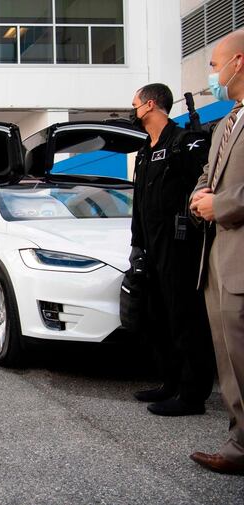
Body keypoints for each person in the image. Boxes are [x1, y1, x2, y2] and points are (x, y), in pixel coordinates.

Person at [128, 83, 215, 417]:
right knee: (157, 316)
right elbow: (139, 204)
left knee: (185, 318)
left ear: (150, 105)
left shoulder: (184, 143)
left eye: (134, 105)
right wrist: (137, 245)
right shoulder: (146, 151)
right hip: (150, 246)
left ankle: (192, 395)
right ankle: (170, 381)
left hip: (180, 246)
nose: (132, 111)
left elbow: (204, 188)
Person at [189, 30, 244, 475]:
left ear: (238, 63)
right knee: (229, 357)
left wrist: (219, 205)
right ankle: (239, 441)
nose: (211, 74)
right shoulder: (226, 123)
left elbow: (226, 195)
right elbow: (208, 175)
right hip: (218, 260)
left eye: (213, 65)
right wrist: (198, 196)